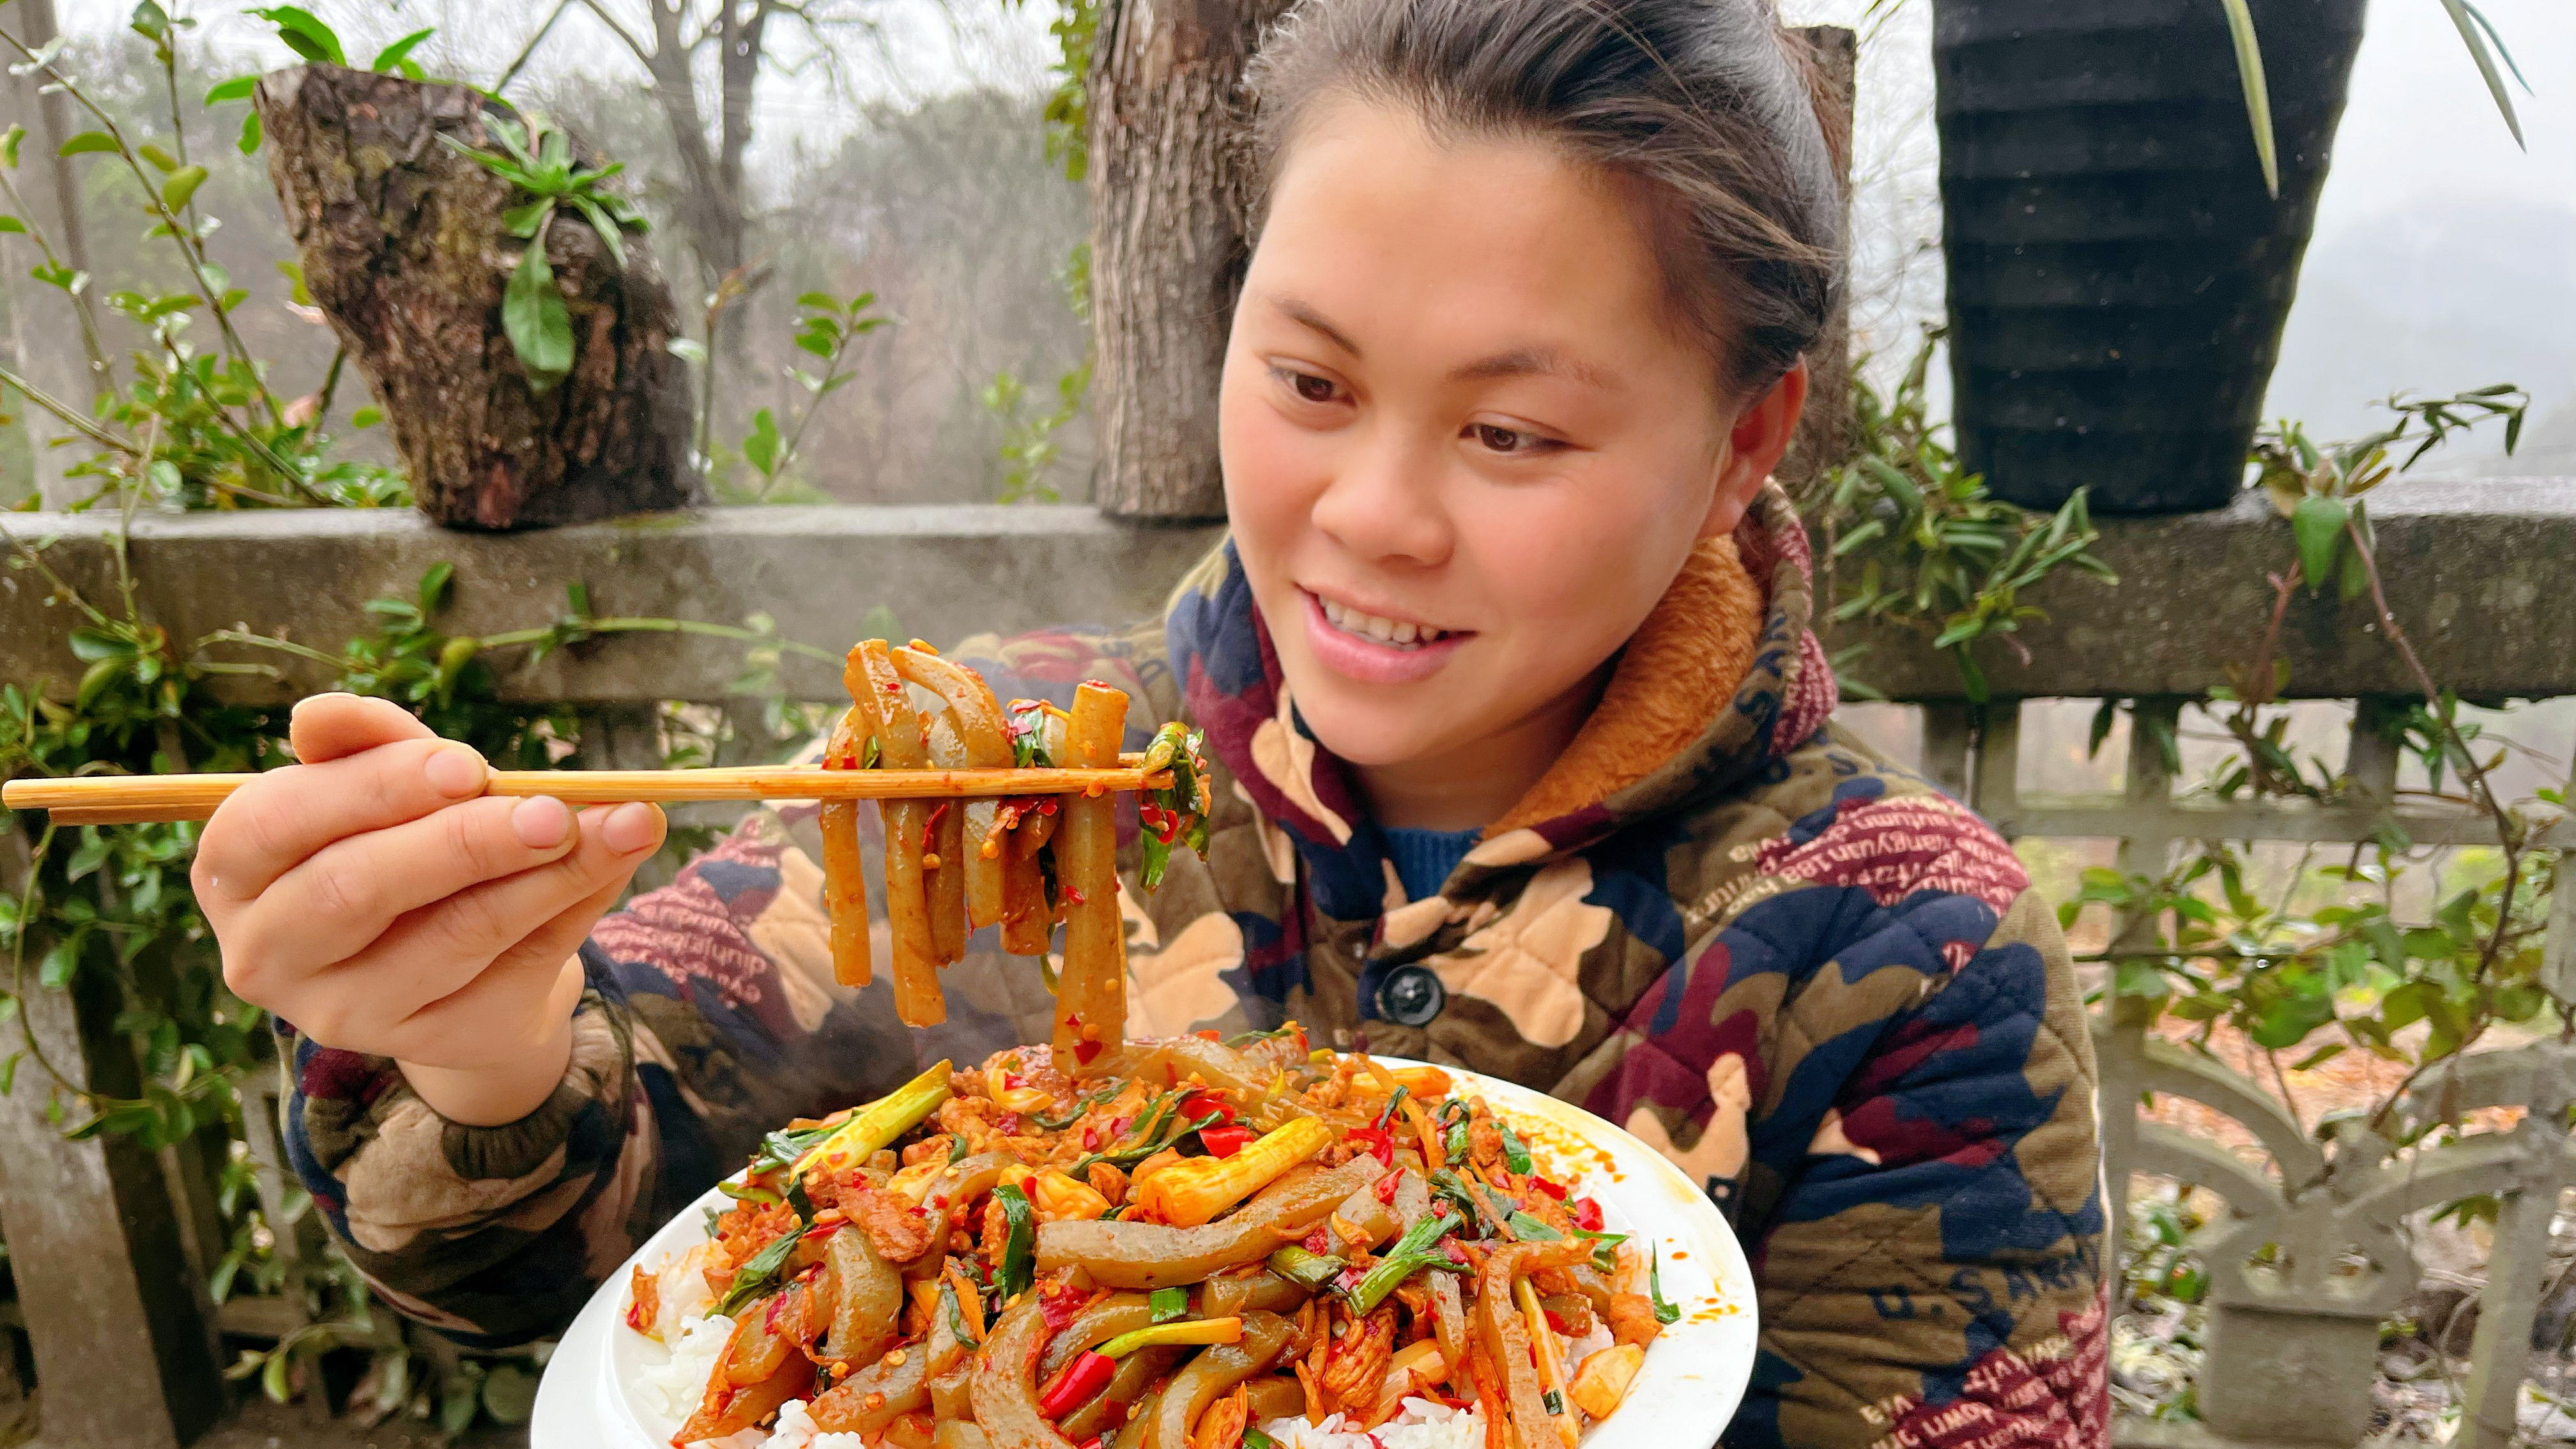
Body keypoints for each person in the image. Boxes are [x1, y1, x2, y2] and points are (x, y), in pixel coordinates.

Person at [197, 2, 2106, 1445]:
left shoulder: (1906, 942)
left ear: (1740, 446)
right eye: (1307, 377)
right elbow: (563, 1260)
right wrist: (482, 1051)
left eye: (1513, 430)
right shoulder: (1005, 767)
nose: (1374, 511)